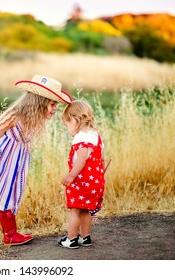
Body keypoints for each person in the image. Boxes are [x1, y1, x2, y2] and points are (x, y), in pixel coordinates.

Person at [0, 74, 72, 246]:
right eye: (52, 104)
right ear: (39, 102)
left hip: (17, 159)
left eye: (55, 105)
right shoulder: (15, 115)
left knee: (13, 191)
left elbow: (24, 139)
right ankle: (10, 234)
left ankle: (11, 233)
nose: (54, 108)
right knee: (5, 192)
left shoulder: (33, 117)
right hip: (4, 157)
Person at [58, 99, 105, 249]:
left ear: (75, 119)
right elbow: (101, 158)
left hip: (81, 180)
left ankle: (71, 239)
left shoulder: (80, 137)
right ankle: (85, 238)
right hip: (95, 180)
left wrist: (71, 175)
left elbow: (82, 158)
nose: (68, 129)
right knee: (86, 209)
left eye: (67, 125)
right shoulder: (96, 136)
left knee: (75, 210)